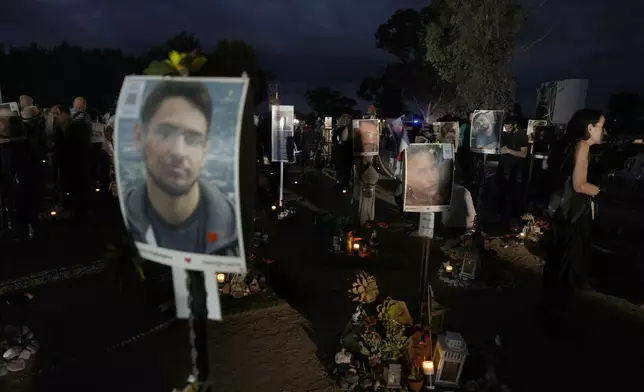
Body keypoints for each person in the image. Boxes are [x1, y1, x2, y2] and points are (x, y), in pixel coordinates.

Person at [124, 80, 239, 256]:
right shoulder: (119, 219)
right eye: (165, 133)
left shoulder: (237, 231)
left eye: (192, 138)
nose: (178, 151)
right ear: (140, 137)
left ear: (205, 150)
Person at [540, 109, 604, 335]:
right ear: (590, 128)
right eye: (601, 126)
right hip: (575, 213)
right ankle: (556, 319)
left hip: (561, 211)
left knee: (557, 261)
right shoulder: (583, 146)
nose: (603, 131)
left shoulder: (565, 145)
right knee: (568, 264)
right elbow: (579, 185)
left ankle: (547, 311)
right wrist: (599, 191)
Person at [496, 115, 528, 221]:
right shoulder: (505, 134)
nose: (507, 129)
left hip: (514, 168)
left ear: (514, 125)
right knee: (500, 191)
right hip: (502, 165)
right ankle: (500, 213)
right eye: (505, 127)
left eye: (509, 127)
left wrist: (509, 151)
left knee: (512, 192)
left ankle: (512, 216)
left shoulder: (521, 135)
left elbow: (524, 154)